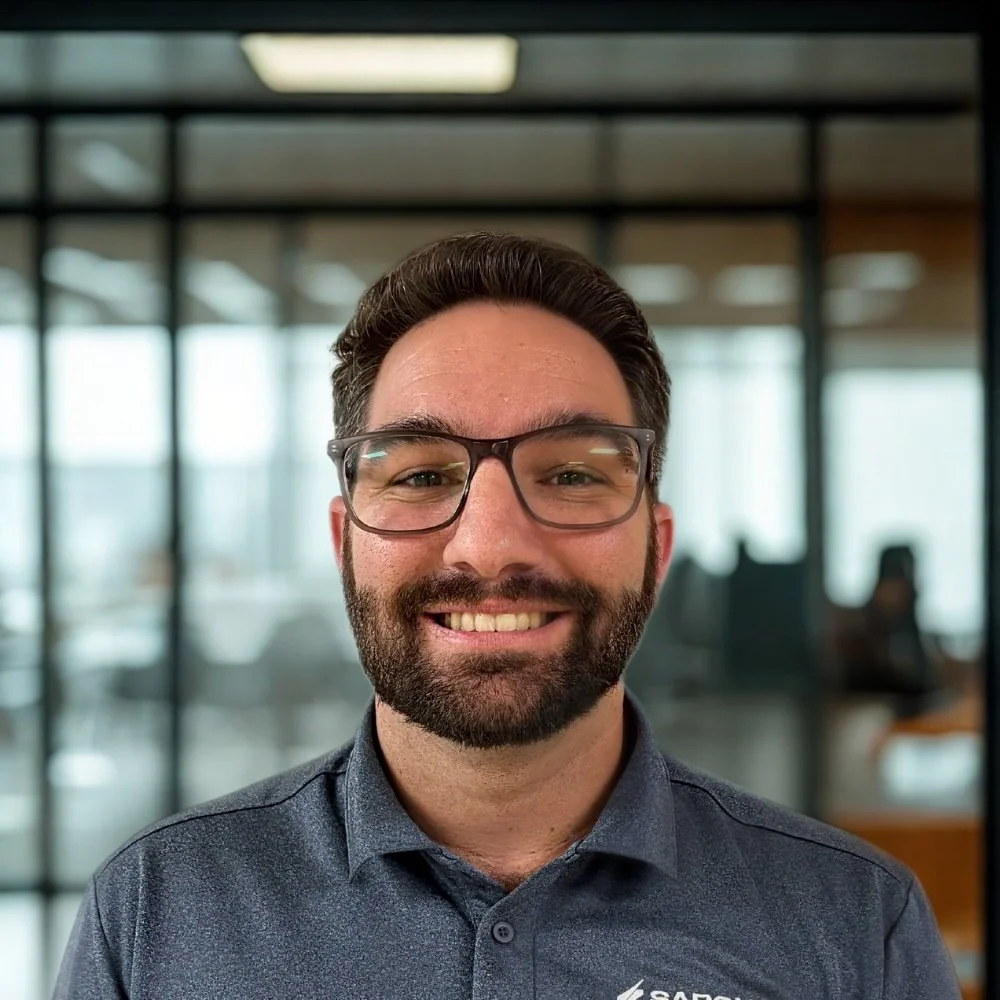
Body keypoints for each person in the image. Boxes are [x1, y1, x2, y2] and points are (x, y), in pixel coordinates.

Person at [54, 233, 960, 999]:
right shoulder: (157, 911)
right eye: (419, 475)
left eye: (571, 474)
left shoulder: (853, 923)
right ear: (344, 540)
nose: (488, 548)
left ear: (656, 542)